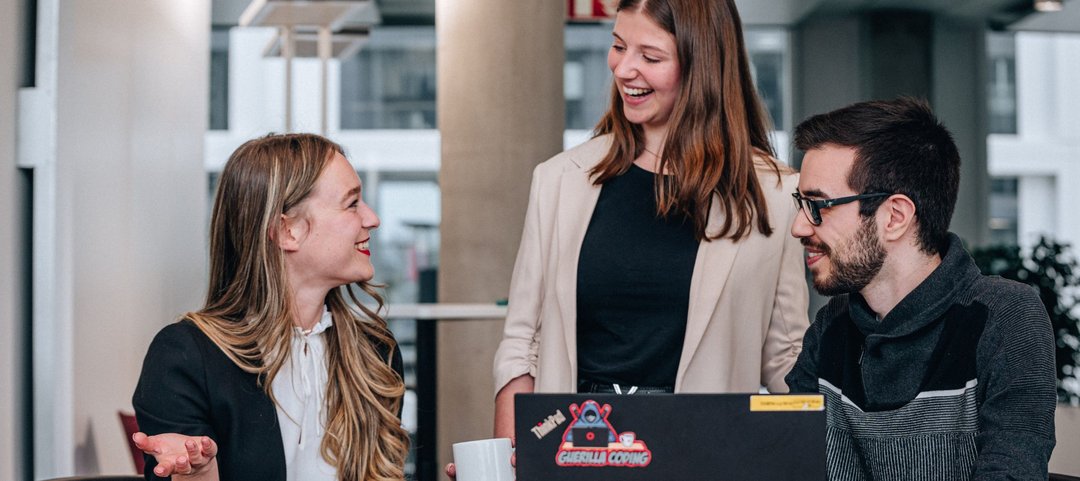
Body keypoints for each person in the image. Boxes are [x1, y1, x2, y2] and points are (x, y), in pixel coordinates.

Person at [491, 0, 809, 440]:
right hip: (575, 447)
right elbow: (522, 344)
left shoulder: (775, 193)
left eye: (650, 57)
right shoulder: (559, 180)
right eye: (619, 46)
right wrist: (508, 461)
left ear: (702, 66)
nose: (623, 69)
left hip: (702, 452)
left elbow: (786, 356)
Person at [785, 98, 1057, 479]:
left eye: (818, 206)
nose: (798, 227)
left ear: (895, 217)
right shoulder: (831, 328)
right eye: (800, 204)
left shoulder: (1004, 320)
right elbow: (789, 464)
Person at [132, 133, 410, 481]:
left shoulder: (375, 353)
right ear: (287, 230)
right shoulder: (186, 357)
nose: (372, 219)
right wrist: (199, 474)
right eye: (352, 203)